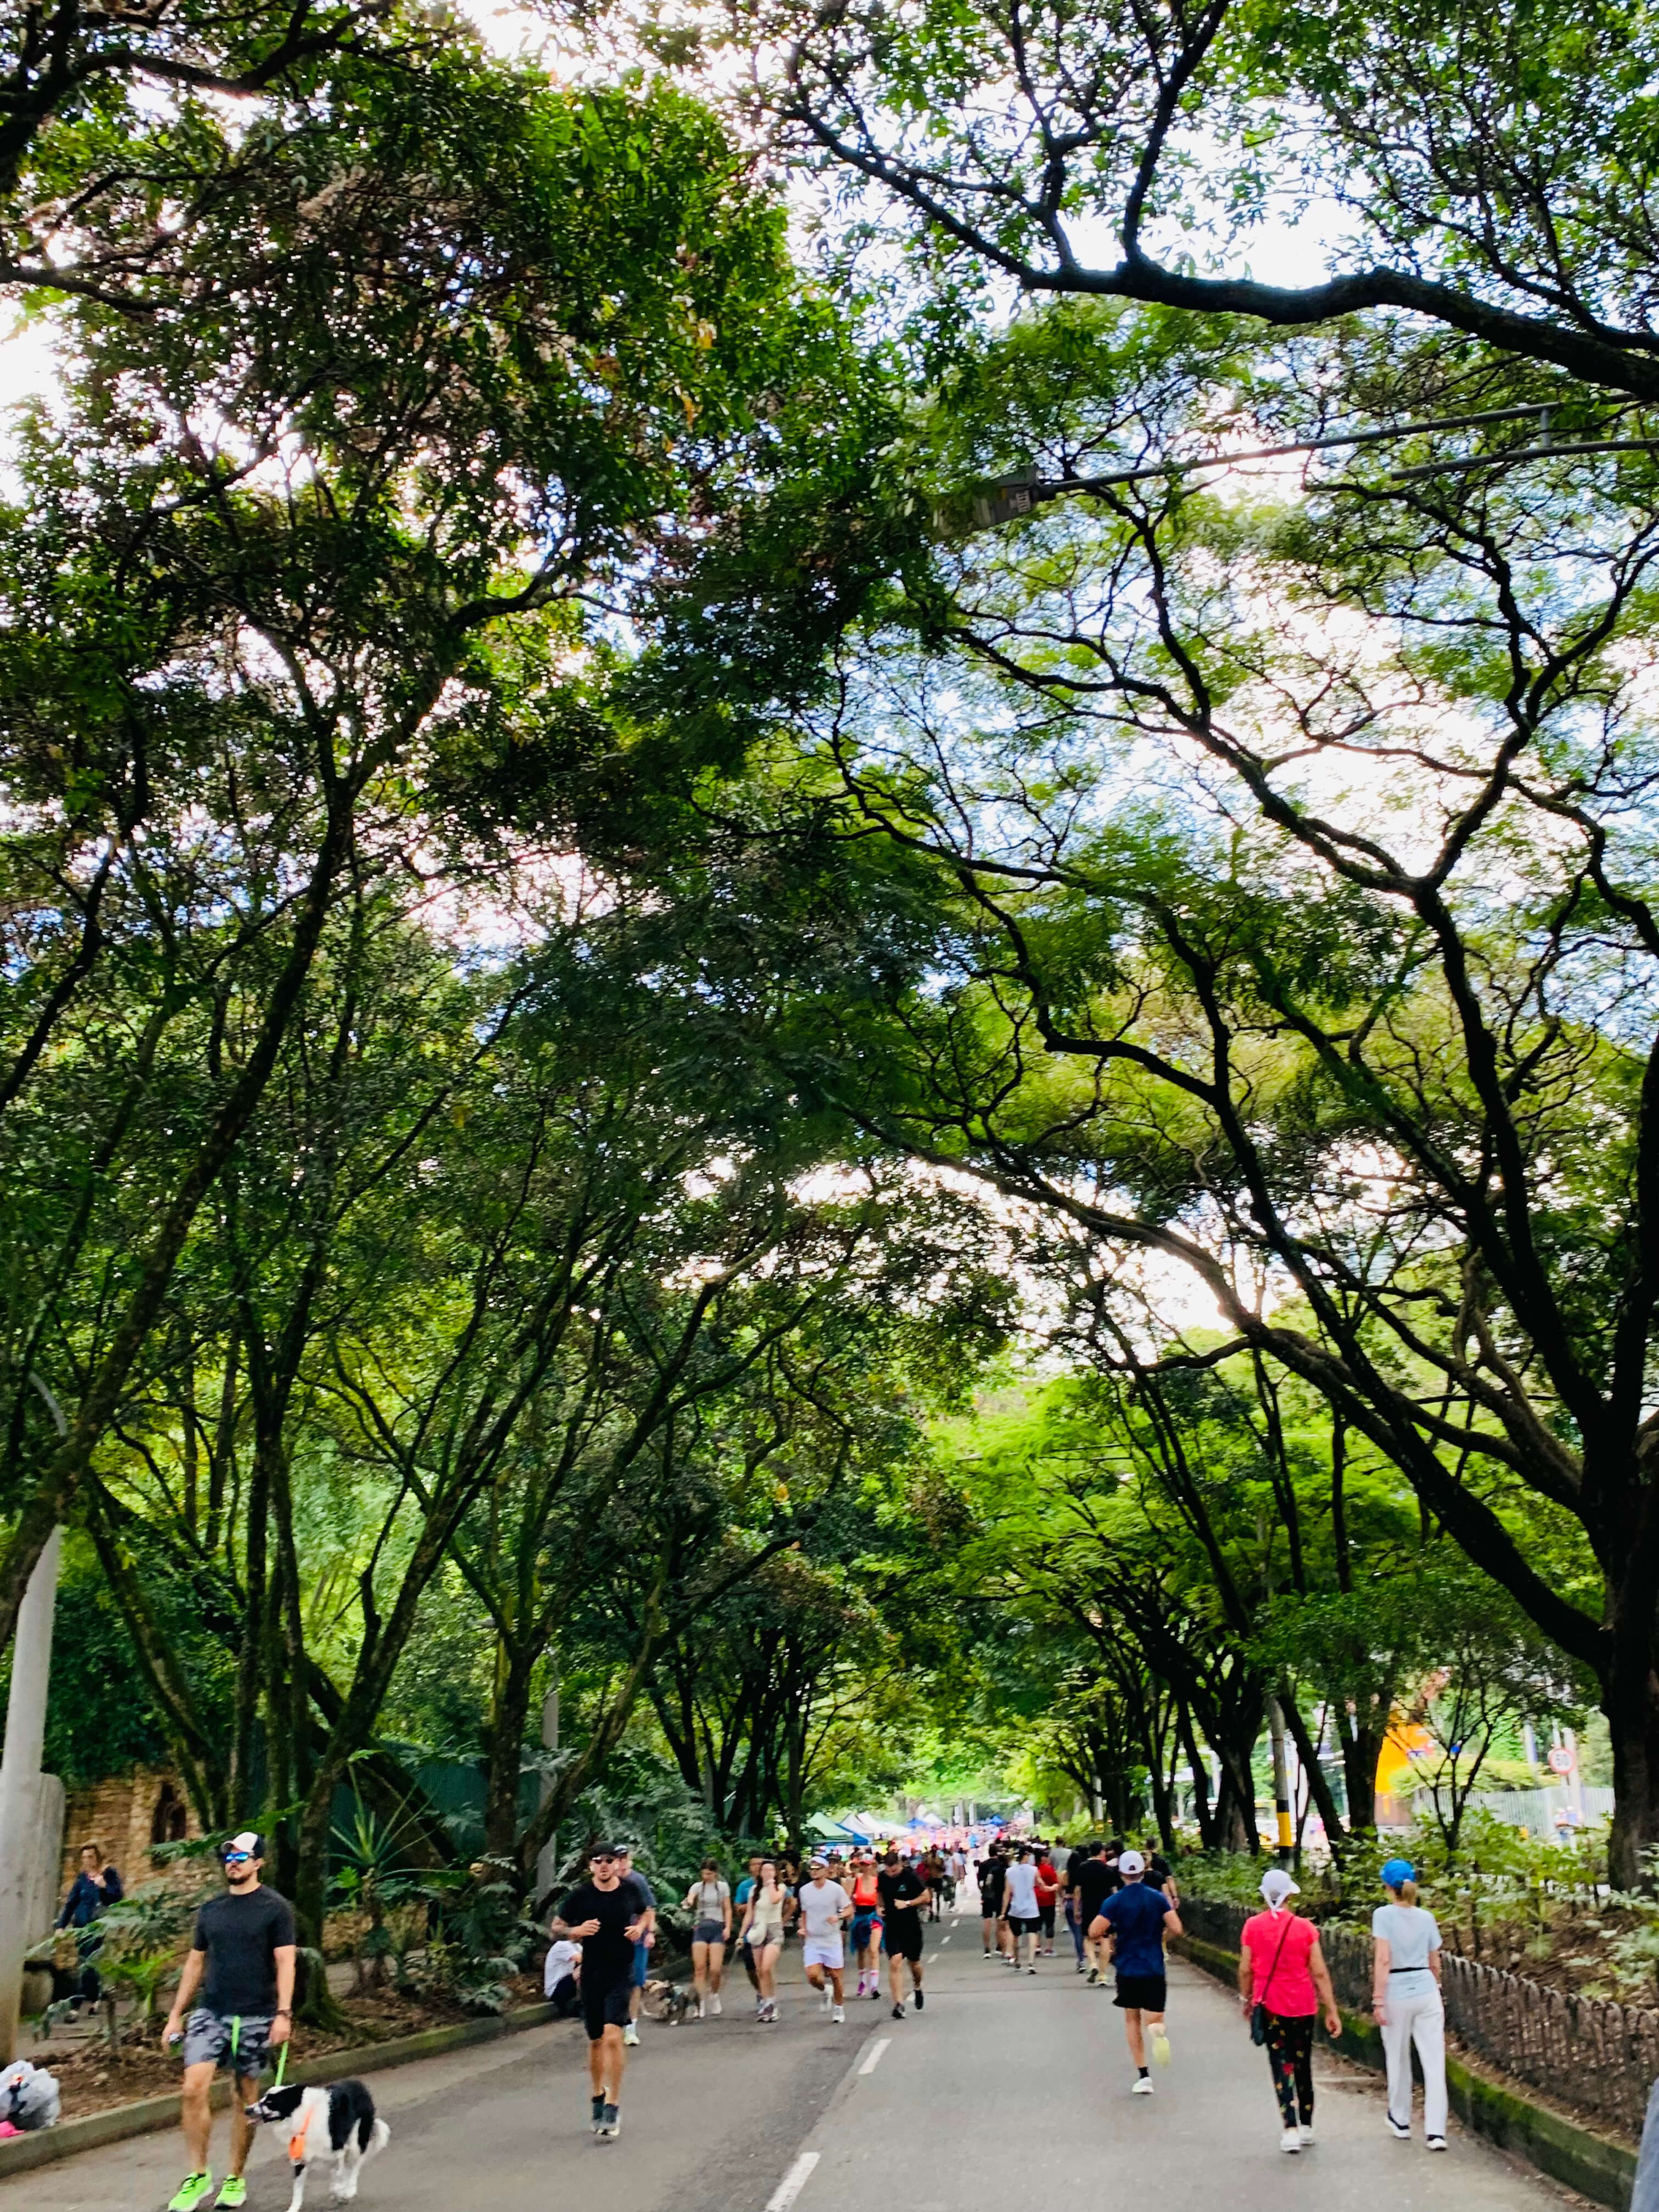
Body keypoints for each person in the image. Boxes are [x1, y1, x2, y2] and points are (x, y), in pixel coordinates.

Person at [160, 1830, 296, 2212]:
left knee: (247, 2100)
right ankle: (198, 2174)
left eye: (241, 1857)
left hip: (257, 2014)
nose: (233, 1863)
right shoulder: (211, 1910)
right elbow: (195, 1962)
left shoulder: (276, 1908)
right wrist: (175, 2015)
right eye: (229, 1857)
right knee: (193, 2088)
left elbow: (286, 1961)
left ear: (259, 1863)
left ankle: (235, 2177)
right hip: (212, 2011)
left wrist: (284, 2014)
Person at [549, 1843, 651, 2139]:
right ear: (591, 1865)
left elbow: (646, 1913)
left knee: (613, 2036)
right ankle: (597, 2095)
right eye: (599, 1861)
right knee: (596, 2041)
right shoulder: (580, 1896)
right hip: (592, 1975)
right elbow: (556, 1927)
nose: (605, 1865)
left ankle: (613, 2104)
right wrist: (575, 1932)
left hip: (621, 1972)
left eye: (610, 1860)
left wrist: (640, 1929)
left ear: (617, 1865)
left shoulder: (630, 1891)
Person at [1237, 1867, 1342, 2152]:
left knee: (1280, 2063)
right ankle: (1307, 2125)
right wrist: (1332, 2009)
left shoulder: (1252, 1927)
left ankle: (1290, 2128)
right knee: (1302, 2062)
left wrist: (1246, 1998)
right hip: (1303, 2005)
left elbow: (1246, 1969)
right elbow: (1319, 1972)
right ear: (1289, 1897)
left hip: (1269, 2004)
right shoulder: (1305, 1928)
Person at [1371, 1857, 1447, 2151]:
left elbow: (1383, 1959)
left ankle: (1401, 2120)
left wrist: (1378, 1998)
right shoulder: (1426, 1918)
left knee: (1398, 2057)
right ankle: (1436, 2131)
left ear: (1388, 1887)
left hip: (1397, 1991)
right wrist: (1436, 1986)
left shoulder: (1383, 1916)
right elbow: (1435, 1960)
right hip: (1427, 1990)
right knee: (1433, 2060)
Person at [1092, 1848, 1182, 2094]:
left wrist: (1111, 1935)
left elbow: (1093, 1931)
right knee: (1154, 2016)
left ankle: (1144, 2075)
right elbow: (1177, 1927)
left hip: (1128, 1966)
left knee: (1132, 2018)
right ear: (1144, 1870)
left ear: (1121, 1873)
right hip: (1154, 1965)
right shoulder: (1157, 1898)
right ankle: (1158, 2031)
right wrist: (1161, 1937)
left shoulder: (1115, 1901)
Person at [56, 1840, 123, 2009]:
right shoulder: (82, 1879)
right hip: (81, 1927)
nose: (87, 1861)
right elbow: (71, 1902)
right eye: (84, 1857)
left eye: (91, 1857)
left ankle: (76, 2005)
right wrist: (61, 1926)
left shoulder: (109, 1874)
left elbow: (117, 1897)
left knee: (88, 1961)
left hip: (99, 1926)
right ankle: (95, 1999)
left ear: (98, 1857)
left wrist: (104, 1886)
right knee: (86, 1962)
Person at [797, 1857, 853, 2022]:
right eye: (812, 1869)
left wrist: (839, 1916)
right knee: (812, 1976)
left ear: (827, 1871)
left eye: (818, 1869)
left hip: (831, 1939)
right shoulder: (805, 1890)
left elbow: (849, 1908)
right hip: (813, 1940)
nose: (814, 1871)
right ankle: (825, 1989)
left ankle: (839, 2007)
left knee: (836, 1976)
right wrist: (803, 1927)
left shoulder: (836, 1889)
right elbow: (805, 1912)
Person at [613, 1845, 656, 2047]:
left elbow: (649, 1909)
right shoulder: (607, 1882)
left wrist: (650, 1933)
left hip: (637, 1940)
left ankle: (631, 2028)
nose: (621, 1862)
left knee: (635, 1982)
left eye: (624, 1858)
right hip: (613, 1941)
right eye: (618, 1858)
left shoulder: (638, 1881)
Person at [877, 1849, 929, 2018]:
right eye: (888, 1870)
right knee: (895, 1961)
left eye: (894, 1870)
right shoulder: (883, 1878)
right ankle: (898, 2004)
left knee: (914, 1963)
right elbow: (879, 1894)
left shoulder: (910, 1877)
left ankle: (917, 1986)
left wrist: (907, 1903)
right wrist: (879, 1907)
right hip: (892, 1926)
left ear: (900, 1865)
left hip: (911, 1926)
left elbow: (926, 1897)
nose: (891, 1874)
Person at [740, 1860, 788, 2022]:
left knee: (767, 1967)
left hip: (774, 1930)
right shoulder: (754, 1891)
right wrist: (741, 1935)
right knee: (760, 1971)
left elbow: (775, 1900)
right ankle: (767, 2002)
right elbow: (749, 1914)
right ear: (759, 1873)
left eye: (771, 1870)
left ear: (776, 1873)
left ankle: (772, 2002)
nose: (767, 1873)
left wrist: (770, 1884)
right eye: (764, 1871)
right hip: (758, 1930)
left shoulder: (780, 1888)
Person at [682, 1859, 731, 2019]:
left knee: (716, 1969)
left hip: (717, 1927)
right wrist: (688, 1903)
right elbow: (691, 1898)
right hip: (701, 1928)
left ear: (715, 1873)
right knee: (700, 1968)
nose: (706, 1876)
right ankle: (700, 2003)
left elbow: (728, 1909)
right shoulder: (697, 1887)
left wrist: (728, 1928)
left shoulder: (722, 1887)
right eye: (704, 1873)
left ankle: (715, 1994)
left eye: (709, 1874)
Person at [1072, 1841, 1119, 1985]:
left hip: (1088, 1907)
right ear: (1102, 1852)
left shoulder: (1082, 1868)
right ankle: (1103, 1975)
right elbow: (1115, 1892)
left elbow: (1078, 1891)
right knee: (1105, 1938)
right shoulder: (1108, 1870)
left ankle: (1093, 1964)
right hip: (1106, 1909)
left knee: (1088, 1938)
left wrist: (1077, 1909)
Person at [1002, 1843, 1043, 1972]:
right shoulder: (1034, 1870)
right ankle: (1031, 1962)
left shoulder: (1010, 1871)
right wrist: (1052, 1888)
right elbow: (1041, 1885)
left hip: (1016, 1908)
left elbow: (1007, 1892)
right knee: (1032, 1934)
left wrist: (1003, 1912)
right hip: (1031, 1908)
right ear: (1026, 1855)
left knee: (1016, 1935)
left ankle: (1017, 1959)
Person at [849, 1854, 885, 1998]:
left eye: (868, 1865)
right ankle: (863, 1981)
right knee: (861, 1951)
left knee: (874, 1949)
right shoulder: (855, 1881)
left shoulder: (878, 1882)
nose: (865, 1867)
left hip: (873, 1917)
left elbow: (880, 1902)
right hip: (859, 1917)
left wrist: (881, 1910)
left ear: (873, 1866)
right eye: (863, 1865)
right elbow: (849, 1900)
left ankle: (874, 1987)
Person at [733, 1853, 765, 1994]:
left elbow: (791, 1902)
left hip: (767, 1930)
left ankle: (767, 1995)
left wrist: (783, 1920)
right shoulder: (745, 1886)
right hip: (750, 1932)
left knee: (764, 1966)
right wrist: (751, 1906)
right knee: (750, 1966)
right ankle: (760, 1991)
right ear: (750, 1868)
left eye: (760, 1864)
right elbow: (738, 1907)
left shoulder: (772, 1883)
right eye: (754, 1864)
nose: (757, 1867)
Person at [977, 1846, 1007, 1958]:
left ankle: (987, 1949)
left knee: (987, 1921)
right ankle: (1000, 1947)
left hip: (987, 1896)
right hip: (999, 1896)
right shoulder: (1001, 1864)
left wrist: (984, 1892)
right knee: (1000, 1922)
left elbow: (980, 1883)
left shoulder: (983, 1865)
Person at [543, 1932, 582, 2019]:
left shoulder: (576, 1946)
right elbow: (582, 1959)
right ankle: (578, 2007)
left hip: (566, 1984)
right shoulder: (562, 1946)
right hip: (555, 1990)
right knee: (583, 1971)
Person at [1033, 1845, 1059, 1955]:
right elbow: (1056, 1882)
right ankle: (1049, 1949)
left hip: (1035, 1900)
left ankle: (1037, 1946)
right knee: (1049, 1924)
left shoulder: (1033, 1869)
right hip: (1048, 1900)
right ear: (1043, 1858)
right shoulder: (1048, 1869)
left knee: (1037, 1924)